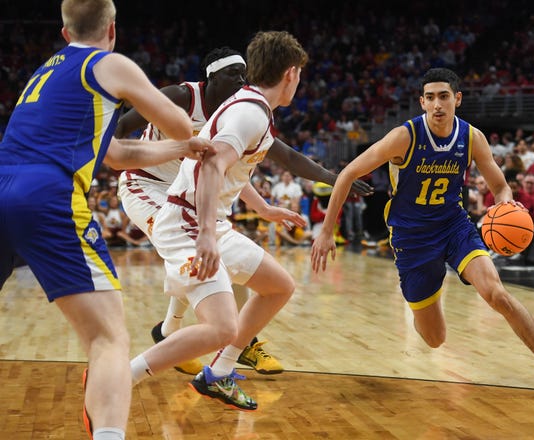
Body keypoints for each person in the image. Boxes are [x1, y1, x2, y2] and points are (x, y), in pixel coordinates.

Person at [0, 1, 212, 439]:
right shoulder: (108, 62)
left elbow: (115, 154)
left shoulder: (46, 70)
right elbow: (177, 122)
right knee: (109, 339)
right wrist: (194, 136)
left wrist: (180, 152)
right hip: (45, 194)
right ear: (112, 29)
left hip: (5, 181)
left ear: (64, 33)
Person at [310, 67, 534, 400]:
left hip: (454, 226)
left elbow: (499, 186)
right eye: (431, 97)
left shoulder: (471, 137)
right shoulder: (404, 136)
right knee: (435, 339)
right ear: (422, 102)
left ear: (457, 99)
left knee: (497, 294)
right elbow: (348, 172)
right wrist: (326, 231)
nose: (437, 104)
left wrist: (507, 205)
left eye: (444, 96)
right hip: (413, 238)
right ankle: (424, 287)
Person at [115, 46, 372, 377]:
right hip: (146, 184)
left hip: (190, 193)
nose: (241, 79)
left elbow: (276, 160)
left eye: (243, 74)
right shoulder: (183, 96)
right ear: (212, 78)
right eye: (233, 74)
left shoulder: (238, 111)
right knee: (191, 245)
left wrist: (330, 180)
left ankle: (189, 335)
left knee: (224, 260)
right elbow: (122, 126)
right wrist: (111, 157)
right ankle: (188, 337)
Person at [126, 30, 311, 411]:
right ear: (291, 73)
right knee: (221, 328)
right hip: (189, 224)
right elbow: (212, 165)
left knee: (279, 286)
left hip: (205, 219)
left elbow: (228, 171)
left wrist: (264, 210)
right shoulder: (250, 111)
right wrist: (207, 235)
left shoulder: (251, 106)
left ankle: (218, 373)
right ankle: (121, 377)